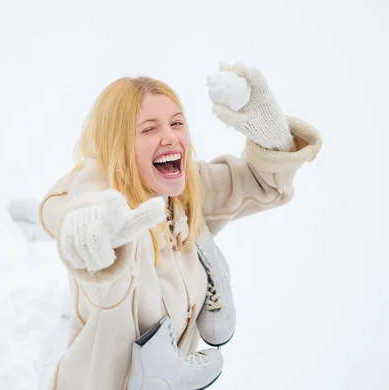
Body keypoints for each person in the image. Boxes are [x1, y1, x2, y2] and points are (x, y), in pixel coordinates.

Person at [38, 61, 322, 390]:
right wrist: (91, 237)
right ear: (117, 144)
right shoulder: (111, 212)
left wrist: (265, 124)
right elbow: (84, 211)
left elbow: (263, 184)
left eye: (177, 123)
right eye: (148, 129)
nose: (170, 137)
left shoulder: (188, 193)